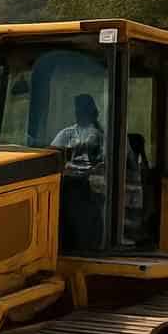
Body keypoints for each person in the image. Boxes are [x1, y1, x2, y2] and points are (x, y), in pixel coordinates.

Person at [52, 93, 107, 251]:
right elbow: (52, 155)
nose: (78, 111)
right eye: (77, 108)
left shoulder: (100, 136)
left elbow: (102, 160)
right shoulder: (66, 134)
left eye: (82, 108)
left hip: (92, 187)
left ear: (91, 110)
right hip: (68, 184)